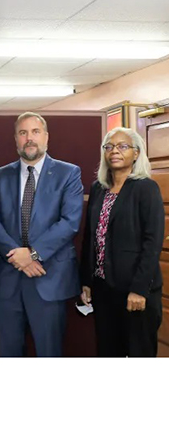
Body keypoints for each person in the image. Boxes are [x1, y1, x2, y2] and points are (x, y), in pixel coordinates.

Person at [0, 112, 83, 356]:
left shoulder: (68, 173)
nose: (29, 138)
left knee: (49, 354)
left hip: (49, 278)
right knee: (8, 353)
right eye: (23, 133)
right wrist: (17, 257)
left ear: (47, 137)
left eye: (35, 132)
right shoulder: (0, 176)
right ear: (16, 140)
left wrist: (32, 254)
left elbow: (69, 222)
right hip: (9, 280)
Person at [80, 127, 164, 357]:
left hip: (135, 291)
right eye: (109, 146)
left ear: (136, 153)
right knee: (108, 353)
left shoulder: (146, 188)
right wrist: (86, 279)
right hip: (104, 289)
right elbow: (91, 236)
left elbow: (152, 242)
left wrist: (139, 289)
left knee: (139, 354)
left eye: (122, 146)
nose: (114, 151)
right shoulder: (99, 188)